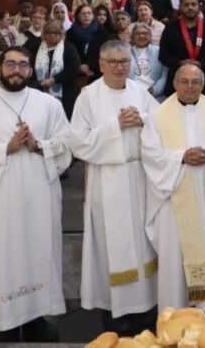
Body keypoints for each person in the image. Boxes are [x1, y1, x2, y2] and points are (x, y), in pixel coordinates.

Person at [0, 46, 71, 341]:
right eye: (10, 64)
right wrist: (4, 150)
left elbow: (66, 143)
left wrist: (38, 146)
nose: (16, 69)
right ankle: (6, 323)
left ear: (30, 71)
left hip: (39, 192)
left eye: (23, 65)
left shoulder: (49, 105)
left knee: (39, 250)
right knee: (2, 253)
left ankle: (36, 319)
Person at [67, 39, 159, 329]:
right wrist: (114, 126)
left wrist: (142, 119)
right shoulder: (88, 97)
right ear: (101, 64)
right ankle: (115, 311)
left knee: (144, 242)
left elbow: (162, 124)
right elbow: (77, 142)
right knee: (111, 244)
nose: (120, 68)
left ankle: (146, 307)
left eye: (124, 62)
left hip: (139, 176)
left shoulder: (141, 93)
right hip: (106, 180)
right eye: (114, 62)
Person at [141, 63, 205, 311]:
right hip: (174, 195)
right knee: (176, 251)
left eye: (195, 82)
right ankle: (177, 308)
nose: (189, 86)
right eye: (184, 81)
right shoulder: (158, 115)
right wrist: (181, 157)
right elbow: (150, 152)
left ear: (203, 84)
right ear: (174, 83)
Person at [158, 0, 205, 99]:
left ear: (199, 6)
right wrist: (180, 63)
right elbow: (163, 56)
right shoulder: (170, 28)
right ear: (180, 7)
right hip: (177, 83)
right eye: (186, 5)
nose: (190, 7)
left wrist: (201, 63)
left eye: (193, 4)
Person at [31, 19, 81, 118]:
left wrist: (54, 79)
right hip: (39, 90)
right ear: (44, 33)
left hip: (65, 93)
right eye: (49, 32)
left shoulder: (69, 48)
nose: (53, 35)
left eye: (56, 33)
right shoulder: (34, 47)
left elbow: (73, 69)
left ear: (62, 34)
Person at [130, 22, 167, 98]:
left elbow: (165, 75)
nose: (141, 36)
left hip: (156, 97)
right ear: (132, 37)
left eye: (145, 33)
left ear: (150, 36)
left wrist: (154, 90)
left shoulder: (160, 51)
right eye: (137, 34)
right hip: (132, 95)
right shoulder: (126, 53)